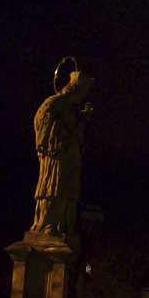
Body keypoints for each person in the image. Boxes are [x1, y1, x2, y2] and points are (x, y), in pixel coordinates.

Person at [31, 68, 94, 238]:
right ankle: (47, 224)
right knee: (53, 187)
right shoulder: (54, 103)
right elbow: (45, 133)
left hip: (70, 156)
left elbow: (76, 134)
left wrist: (82, 120)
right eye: (81, 94)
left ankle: (63, 225)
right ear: (72, 89)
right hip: (57, 156)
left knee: (68, 190)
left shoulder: (71, 109)